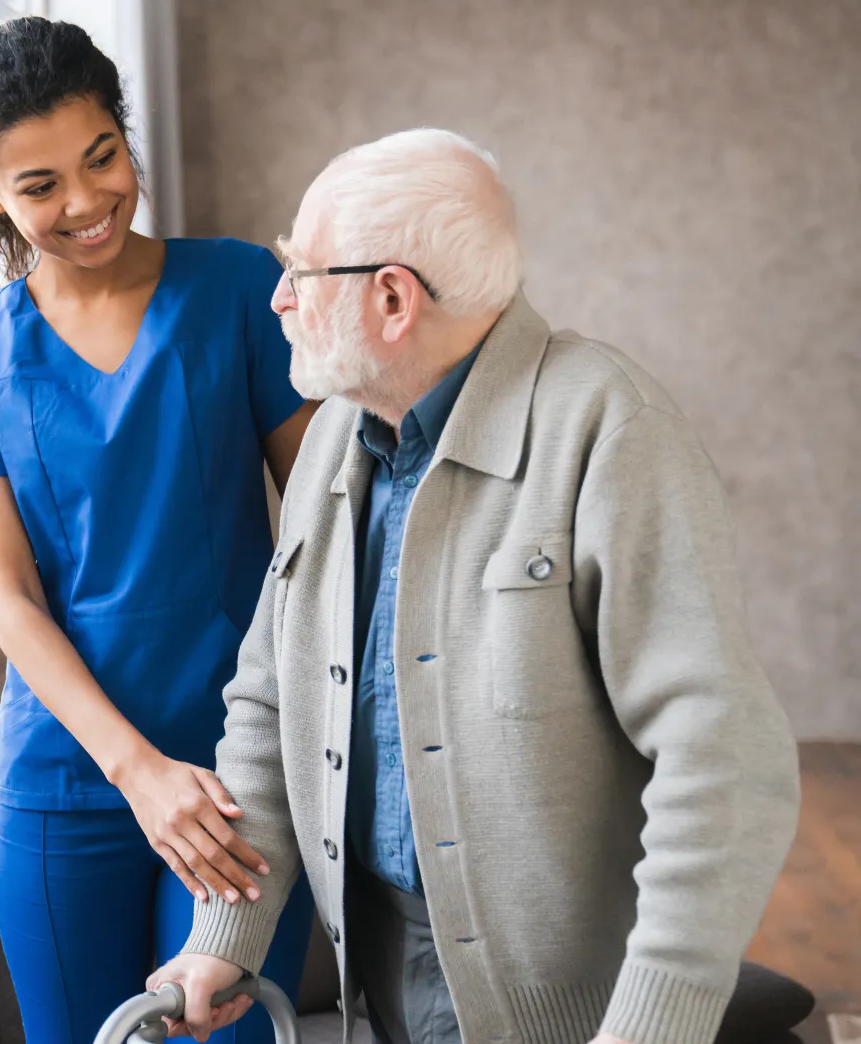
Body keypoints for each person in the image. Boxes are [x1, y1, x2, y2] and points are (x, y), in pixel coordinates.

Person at [148, 128, 800, 1044]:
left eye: (303, 269)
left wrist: (655, 1025)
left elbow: (726, 764)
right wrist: (225, 937)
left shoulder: (609, 429)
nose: (280, 297)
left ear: (390, 298)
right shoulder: (335, 436)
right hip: (376, 968)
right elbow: (268, 701)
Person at [0, 17, 319, 1044]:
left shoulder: (237, 293)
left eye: (103, 157)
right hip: (64, 784)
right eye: (40, 185)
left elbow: (322, 540)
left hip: (241, 774)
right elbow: (9, 602)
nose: (87, 202)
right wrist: (137, 773)